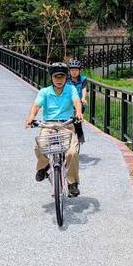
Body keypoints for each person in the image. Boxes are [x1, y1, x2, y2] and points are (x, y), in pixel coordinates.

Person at [25, 62, 84, 197]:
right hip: (49, 125)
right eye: (56, 77)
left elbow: (76, 101)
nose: (59, 80)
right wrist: (31, 117)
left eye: (62, 77)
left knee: (72, 152)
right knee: (39, 146)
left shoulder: (71, 89)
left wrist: (78, 112)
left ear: (66, 78)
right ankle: (43, 166)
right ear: (51, 77)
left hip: (66, 125)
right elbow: (36, 106)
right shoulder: (44, 92)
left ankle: (72, 183)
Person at [67, 58, 88, 144]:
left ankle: (80, 137)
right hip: (68, 103)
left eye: (76, 70)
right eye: (72, 70)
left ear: (79, 70)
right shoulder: (66, 79)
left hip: (79, 103)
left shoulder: (83, 79)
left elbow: (84, 89)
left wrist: (83, 98)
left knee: (77, 120)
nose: (74, 72)